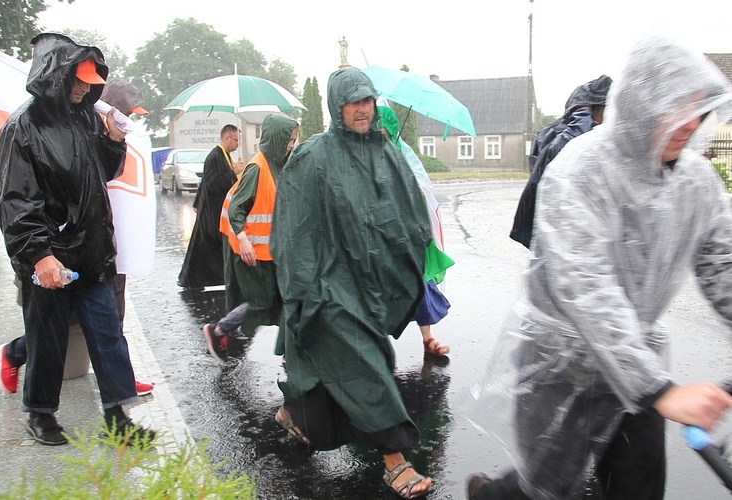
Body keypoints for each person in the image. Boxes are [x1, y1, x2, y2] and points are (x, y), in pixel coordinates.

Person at [466, 34, 732, 499]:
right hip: (558, 361)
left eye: (697, 108)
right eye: (677, 107)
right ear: (643, 104)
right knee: (546, 486)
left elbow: (723, 264)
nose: (690, 122)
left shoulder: (697, 183)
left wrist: (650, 387)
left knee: (639, 487)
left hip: (635, 361)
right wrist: (660, 391)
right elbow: (586, 287)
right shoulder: (581, 170)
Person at [270, 67, 434, 499]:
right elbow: (293, 231)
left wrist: (411, 257)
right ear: (336, 106)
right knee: (366, 365)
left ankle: (294, 413)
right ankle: (394, 461)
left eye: (367, 100)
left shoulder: (387, 152)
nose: (362, 109)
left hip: (372, 286)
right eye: (353, 101)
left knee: (345, 367)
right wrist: (307, 290)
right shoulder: (312, 158)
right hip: (329, 287)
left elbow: (408, 214)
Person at [0, 32, 155, 446]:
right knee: (47, 337)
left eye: (90, 80)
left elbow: (102, 172)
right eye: (78, 79)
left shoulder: (85, 117)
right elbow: (15, 200)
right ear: (56, 76)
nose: (86, 87)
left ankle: (117, 415)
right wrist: (39, 256)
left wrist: (113, 143)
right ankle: (41, 413)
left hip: (92, 250)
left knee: (108, 336)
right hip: (51, 257)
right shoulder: (21, 128)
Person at [214, 113, 299, 355]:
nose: (291, 145)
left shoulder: (276, 165)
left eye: (293, 140)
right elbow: (236, 208)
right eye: (288, 140)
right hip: (248, 246)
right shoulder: (258, 168)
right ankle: (219, 330)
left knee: (278, 298)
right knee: (263, 301)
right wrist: (243, 240)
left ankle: (289, 352)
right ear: (275, 139)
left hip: (265, 248)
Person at [377, 105, 453, 357]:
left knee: (420, 283)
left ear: (391, 131)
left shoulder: (404, 154)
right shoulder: (365, 155)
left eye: (383, 133)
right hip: (378, 235)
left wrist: (413, 188)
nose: (378, 138)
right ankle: (373, 344)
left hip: (407, 234)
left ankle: (427, 337)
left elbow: (422, 185)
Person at [509, 74, 612, 249]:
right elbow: (557, 160)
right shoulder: (555, 134)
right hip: (563, 236)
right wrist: (582, 119)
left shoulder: (607, 141)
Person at [177, 124, 242, 291]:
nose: (238, 144)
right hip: (211, 211)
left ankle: (201, 279)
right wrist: (232, 172)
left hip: (213, 210)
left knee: (204, 249)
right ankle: (195, 280)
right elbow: (212, 183)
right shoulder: (215, 156)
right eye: (236, 140)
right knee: (206, 248)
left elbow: (206, 181)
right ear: (226, 138)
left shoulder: (224, 155)